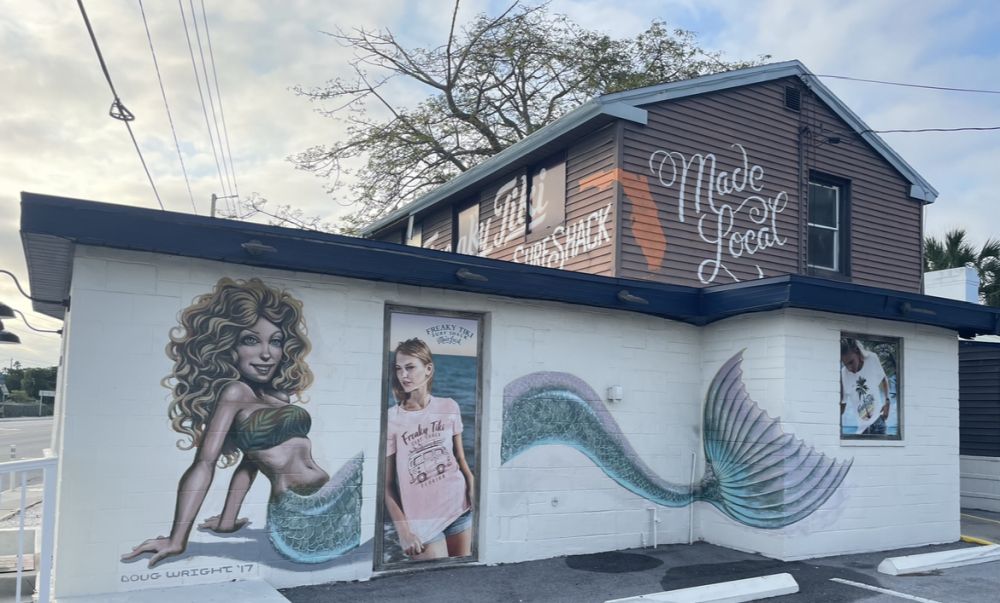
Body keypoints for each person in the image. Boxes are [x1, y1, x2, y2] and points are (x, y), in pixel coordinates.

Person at [122, 277, 361, 568]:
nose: (266, 353)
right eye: (251, 340)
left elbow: (251, 464)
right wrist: (177, 539)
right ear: (227, 346)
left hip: (323, 500)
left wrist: (227, 521)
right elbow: (203, 464)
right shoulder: (235, 393)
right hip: (298, 512)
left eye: (275, 341)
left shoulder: (276, 394)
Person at [383, 338, 475, 561]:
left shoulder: (449, 406)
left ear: (428, 369)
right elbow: (386, 485)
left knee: (462, 580)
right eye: (398, 369)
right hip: (422, 522)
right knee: (434, 586)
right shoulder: (392, 418)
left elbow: (461, 460)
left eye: (410, 367)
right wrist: (404, 532)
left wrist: (473, 488)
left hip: (459, 509)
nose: (403, 375)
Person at [840, 337, 890, 435]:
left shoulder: (872, 358)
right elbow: (843, 403)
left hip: (878, 422)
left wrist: (887, 402)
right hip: (862, 430)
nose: (850, 368)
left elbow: (883, 379)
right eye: (846, 365)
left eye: (851, 362)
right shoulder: (844, 373)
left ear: (857, 351)